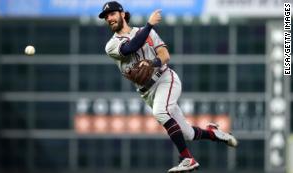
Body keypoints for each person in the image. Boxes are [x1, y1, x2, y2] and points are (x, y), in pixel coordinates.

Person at [99, 1, 238, 172]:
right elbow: (131, 47)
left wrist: (152, 62)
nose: (109, 18)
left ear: (122, 14)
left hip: (165, 79)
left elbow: (165, 55)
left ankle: (187, 159)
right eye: (106, 17)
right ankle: (213, 133)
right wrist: (149, 25)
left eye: (112, 14)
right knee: (188, 134)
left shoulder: (147, 32)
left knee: (160, 113)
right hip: (147, 92)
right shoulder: (111, 45)